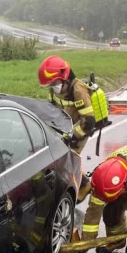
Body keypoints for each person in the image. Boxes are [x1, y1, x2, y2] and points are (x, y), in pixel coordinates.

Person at [38, 55, 96, 200]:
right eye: (50, 83)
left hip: (80, 129)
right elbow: (51, 110)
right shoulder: (55, 89)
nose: (53, 86)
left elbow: (89, 121)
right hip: (65, 128)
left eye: (54, 82)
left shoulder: (78, 90)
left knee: (69, 160)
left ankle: (83, 186)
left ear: (64, 77)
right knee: (57, 157)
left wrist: (75, 138)